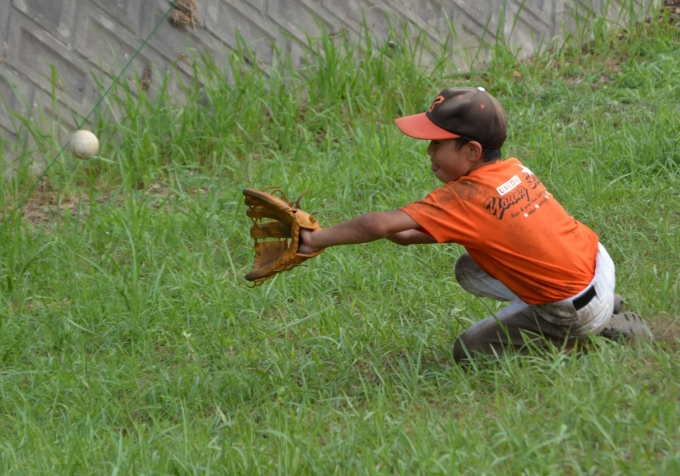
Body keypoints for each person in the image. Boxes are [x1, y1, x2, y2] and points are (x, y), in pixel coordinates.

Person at [299, 87, 652, 361]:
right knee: (469, 268)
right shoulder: (513, 169)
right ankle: (605, 306)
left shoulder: (466, 197)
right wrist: (399, 231)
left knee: (469, 350)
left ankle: (588, 336)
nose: (429, 151)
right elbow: (416, 232)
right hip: (597, 265)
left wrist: (316, 239)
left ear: (472, 151)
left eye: (437, 143)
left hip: (574, 309)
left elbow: (379, 224)